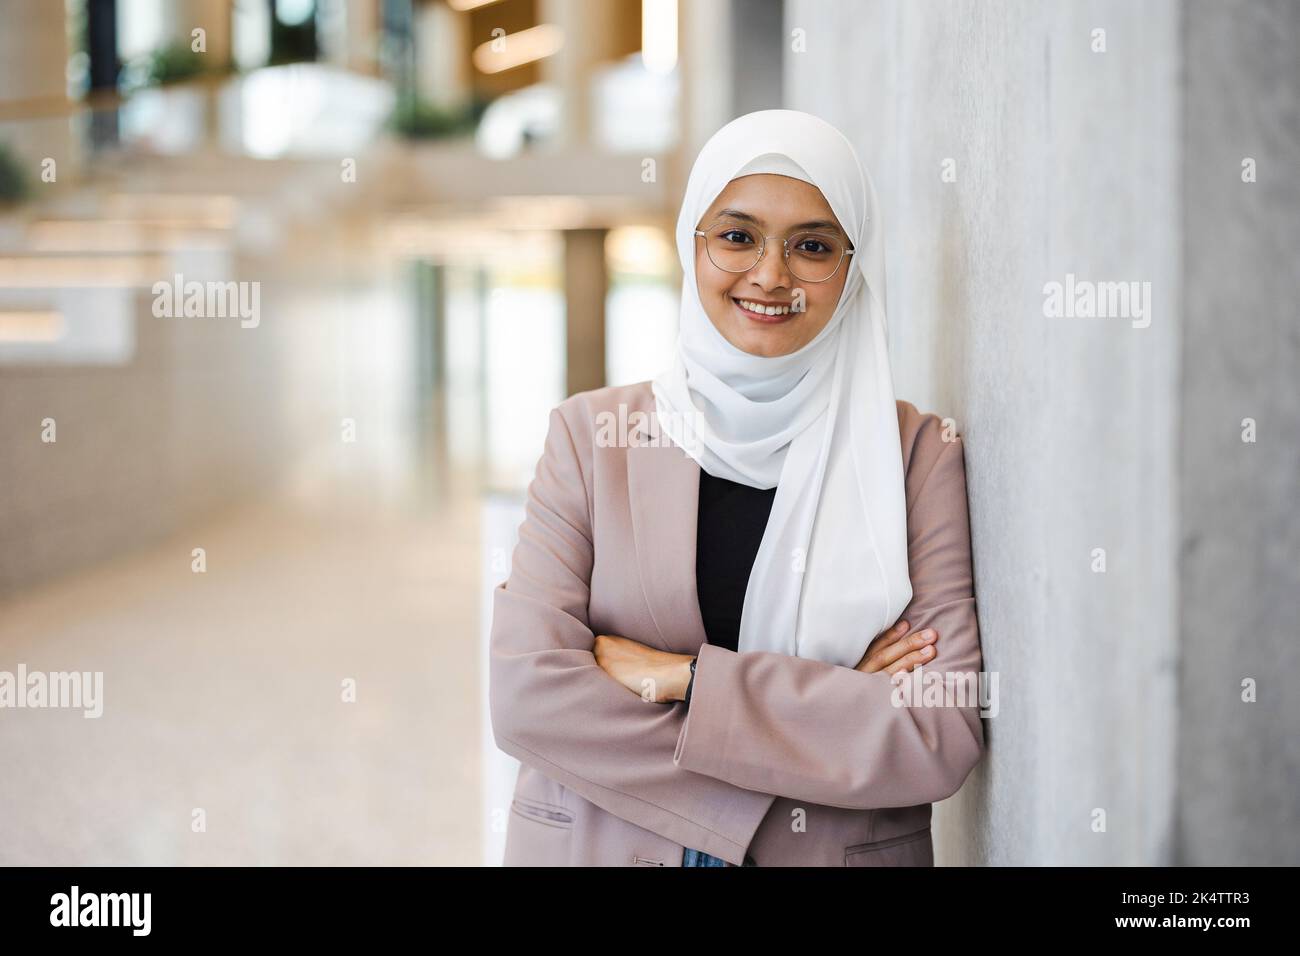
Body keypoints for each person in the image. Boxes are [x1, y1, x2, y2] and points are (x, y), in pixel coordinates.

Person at [489, 109, 985, 867]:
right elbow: (528, 698)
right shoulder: (593, 438)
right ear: (693, 244)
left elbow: (936, 734)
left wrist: (683, 679)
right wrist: (833, 707)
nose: (771, 274)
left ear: (852, 268)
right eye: (737, 235)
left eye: (812, 246)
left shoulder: (916, 454)